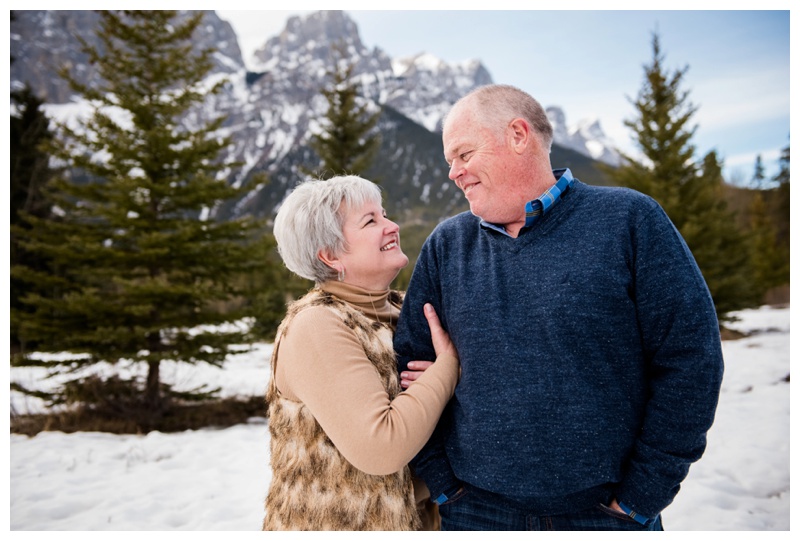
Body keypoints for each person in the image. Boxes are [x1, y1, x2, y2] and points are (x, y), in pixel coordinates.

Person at [393, 84, 724, 531]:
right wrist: (442, 481)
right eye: (449, 162)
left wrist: (643, 494)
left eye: (463, 154)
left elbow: (690, 360)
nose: (454, 173)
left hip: (605, 515)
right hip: (474, 511)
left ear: (517, 134)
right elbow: (410, 365)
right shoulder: (447, 245)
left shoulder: (629, 220)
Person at [262, 175, 459, 531]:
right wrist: (447, 369)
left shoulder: (402, 312)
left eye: (384, 214)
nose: (393, 226)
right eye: (371, 221)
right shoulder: (317, 325)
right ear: (330, 255)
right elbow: (381, 446)